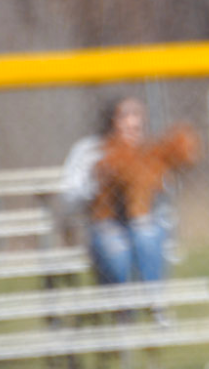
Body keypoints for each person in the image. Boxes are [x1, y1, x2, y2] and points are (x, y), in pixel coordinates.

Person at [59, 96, 198, 287]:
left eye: (137, 116)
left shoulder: (149, 151)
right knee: (116, 249)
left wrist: (153, 185)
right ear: (111, 121)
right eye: (125, 116)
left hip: (143, 222)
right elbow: (69, 193)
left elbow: (162, 196)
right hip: (104, 224)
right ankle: (123, 311)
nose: (132, 122)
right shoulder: (90, 150)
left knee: (146, 236)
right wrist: (99, 183)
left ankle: (153, 302)